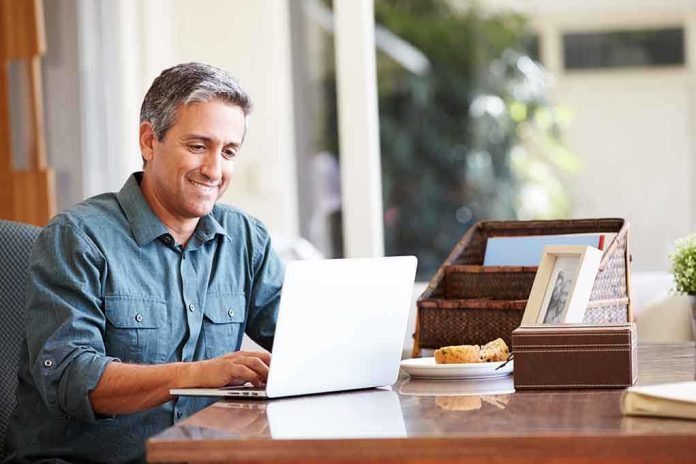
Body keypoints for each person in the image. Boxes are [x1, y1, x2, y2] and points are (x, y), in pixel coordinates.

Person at [5, 62, 284, 463]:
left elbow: (302, 344)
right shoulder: (78, 237)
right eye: (197, 146)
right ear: (149, 141)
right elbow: (70, 377)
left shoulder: (246, 239)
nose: (214, 169)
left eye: (228, 152)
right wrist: (198, 374)